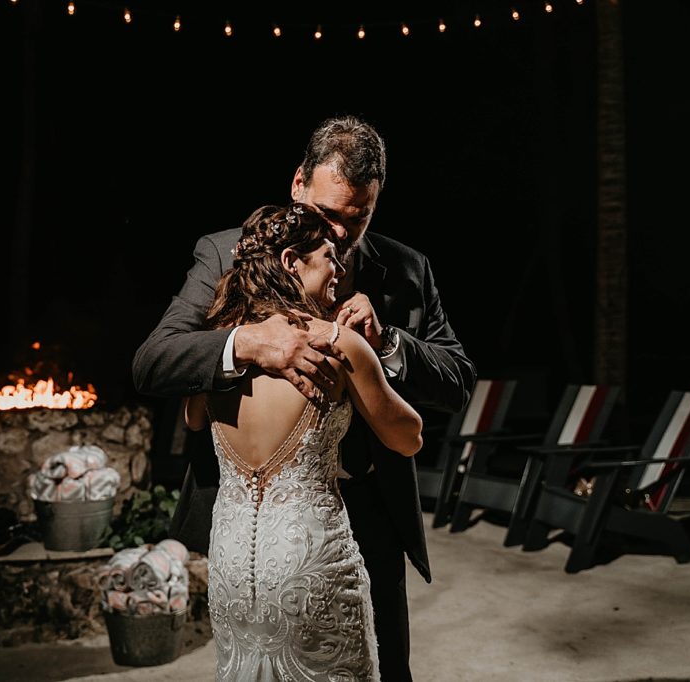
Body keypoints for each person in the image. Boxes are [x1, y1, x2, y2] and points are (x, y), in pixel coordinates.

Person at [133, 115, 476, 681]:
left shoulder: (409, 272)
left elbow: (457, 380)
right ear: (298, 184)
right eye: (327, 215)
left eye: (357, 218)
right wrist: (245, 342)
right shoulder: (224, 253)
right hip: (250, 525)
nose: (340, 235)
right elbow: (153, 361)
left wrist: (388, 341)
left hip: (368, 510)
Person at [184, 202, 424, 680]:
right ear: (292, 262)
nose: (340, 268)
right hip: (309, 565)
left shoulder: (219, 345)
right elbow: (408, 437)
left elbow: (193, 419)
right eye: (329, 257)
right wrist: (370, 352)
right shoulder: (335, 344)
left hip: (233, 566)